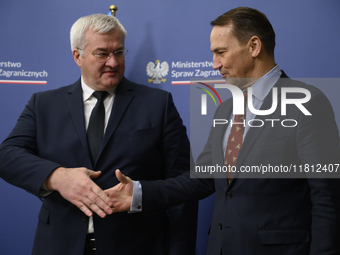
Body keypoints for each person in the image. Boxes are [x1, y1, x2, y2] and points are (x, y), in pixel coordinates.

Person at [106, 7, 340, 255]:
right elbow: (203, 179)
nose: (215, 64)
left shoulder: (307, 102)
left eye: (221, 52)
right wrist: (140, 192)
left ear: (254, 47)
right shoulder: (226, 109)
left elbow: (328, 199)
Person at [0, 14, 199, 255]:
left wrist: (141, 196)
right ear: (77, 56)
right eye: (102, 53)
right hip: (57, 246)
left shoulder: (158, 104)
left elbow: (188, 180)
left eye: (119, 52)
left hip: (139, 246)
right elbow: (7, 156)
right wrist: (57, 177)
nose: (113, 63)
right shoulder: (43, 104)